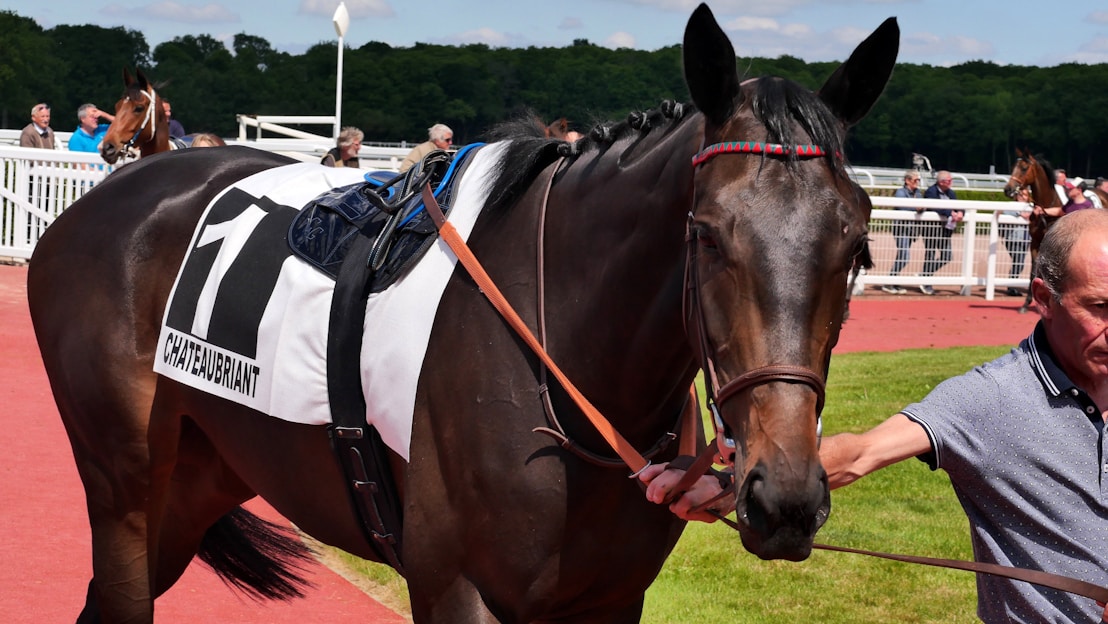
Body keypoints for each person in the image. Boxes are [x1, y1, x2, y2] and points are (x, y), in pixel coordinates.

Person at [642, 209, 1108, 623]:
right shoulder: (991, 402)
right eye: (1100, 308)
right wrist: (728, 486)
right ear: (1044, 299)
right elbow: (861, 453)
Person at [918, 171, 962, 295]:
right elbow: (936, 206)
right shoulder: (931, 191)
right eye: (949, 180)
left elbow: (958, 205)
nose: (951, 182)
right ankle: (926, 283)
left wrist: (960, 213)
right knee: (930, 255)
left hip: (945, 231)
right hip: (931, 230)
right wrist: (950, 213)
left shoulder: (951, 193)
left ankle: (924, 275)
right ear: (942, 182)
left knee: (947, 256)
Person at [883, 170, 924, 295]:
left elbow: (923, 205)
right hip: (901, 228)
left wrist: (921, 208)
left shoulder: (918, 193)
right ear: (907, 180)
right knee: (904, 257)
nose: (917, 182)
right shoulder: (901, 192)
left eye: (918, 180)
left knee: (902, 256)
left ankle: (893, 281)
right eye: (915, 180)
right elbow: (902, 205)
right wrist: (916, 207)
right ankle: (890, 281)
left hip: (911, 229)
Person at [1000, 189, 1032, 296]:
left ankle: (1012, 284)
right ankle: (1011, 286)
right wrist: (1020, 214)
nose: (1022, 197)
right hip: (1013, 238)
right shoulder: (1011, 205)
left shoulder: (1031, 206)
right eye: (1020, 194)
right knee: (1018, 261)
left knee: (1019, 262)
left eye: (1025, 195)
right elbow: (1004, 212)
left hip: (1026, 239)